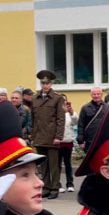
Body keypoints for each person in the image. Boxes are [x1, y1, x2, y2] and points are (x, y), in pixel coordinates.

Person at [31, 70, 66, 199]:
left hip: (52, 137)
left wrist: (58, 136)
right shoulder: (35, 98)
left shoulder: (57, 98)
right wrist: (33, 136)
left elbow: (60, 119)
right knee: (43, 165)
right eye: (43, 83)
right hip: (39, 136)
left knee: (54, 165)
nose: (45, 85)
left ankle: (54, 188)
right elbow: (33, 119)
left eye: (47, 83)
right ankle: (45, 187)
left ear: (51, 84)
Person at [58, 99, 78, 193]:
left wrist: (71, 112)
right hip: (58, 141)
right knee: (57, 164)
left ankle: (70, 183)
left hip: (68, 141)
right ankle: (58, 184)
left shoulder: (70, 113)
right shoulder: (56, 112)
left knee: (68, 163)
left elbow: (75, 123)